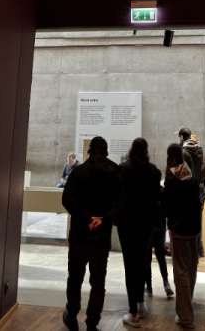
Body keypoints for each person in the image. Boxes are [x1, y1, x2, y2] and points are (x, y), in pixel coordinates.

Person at [61, 136, 120, 331]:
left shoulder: (78, 172)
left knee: (75, 278)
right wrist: (103, 219)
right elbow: (120, 203)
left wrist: (87, 218)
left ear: (89, 151)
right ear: (106, 151)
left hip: (79, 234)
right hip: (101, 237)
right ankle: (92, 322)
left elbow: (67, 200)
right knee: (98, 282)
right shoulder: (114, 171)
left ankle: (71, 315)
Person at [114, 138, 161, 327]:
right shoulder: (154, 172)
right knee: (142, 263)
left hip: (127, 224)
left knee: (130, 265)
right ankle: (141, 303)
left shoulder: (123, 170)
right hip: (145, 224)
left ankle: (133, 311)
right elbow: (157, 198)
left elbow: (117, 196)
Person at [163, 142, 202, 329]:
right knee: (192, 267)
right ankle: (187, 304)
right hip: (194, 228)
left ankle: (185, 315)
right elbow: (197, 200)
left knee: (181, 271)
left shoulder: (172, 178)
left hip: (179, 229)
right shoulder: (190, 175)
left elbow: (167, 206)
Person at [178, 128, 205, 256]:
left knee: (186, 222)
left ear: (181, 137)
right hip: (200, 190)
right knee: (197, 220)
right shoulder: (200, 151)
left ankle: (189, 251)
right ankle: (199, 249)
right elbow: (204, 172)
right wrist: (204, 191)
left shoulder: (183, 152)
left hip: (188, 192)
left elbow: (182, 175)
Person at [144, 190, 173, 300]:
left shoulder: (146, 191)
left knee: (147, 258)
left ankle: (149, 287)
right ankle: (166, 283)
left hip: (148, 227)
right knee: (161, 257)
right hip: (160, 227)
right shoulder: (162, 191)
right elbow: (167, 211)